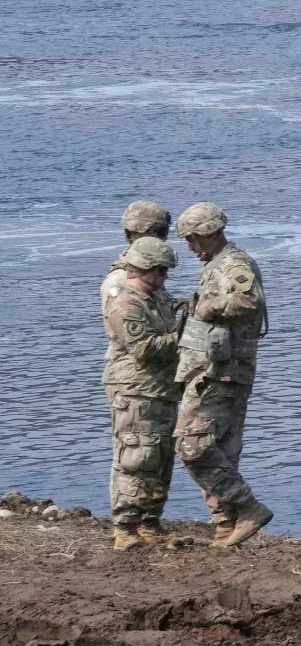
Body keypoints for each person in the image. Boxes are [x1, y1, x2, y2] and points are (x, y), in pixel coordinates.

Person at [174, 203, 270, 548]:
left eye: (193, 239)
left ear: (211, 232)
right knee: (221, 450)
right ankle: (225, 526)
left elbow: (249, 301)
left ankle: (247, 508)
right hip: (214, 370)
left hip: (222, 372)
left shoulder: (234, 263)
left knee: (192, 446)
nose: (190, 247)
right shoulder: (216, 265)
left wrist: (209, 307)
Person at [103, 236, 184, 551]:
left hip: (161, 390)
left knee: (161, 460)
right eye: (161, 270)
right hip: (137, 391)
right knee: (137, 458)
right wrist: (182, 335)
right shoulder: (125, 301)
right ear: (144, 268)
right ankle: (126, 529)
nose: (165, 276)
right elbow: (144, 348)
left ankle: (150, 524)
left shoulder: (156, 295)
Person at [102, 199, 172, 326]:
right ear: (149, 233)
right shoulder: (122, 280)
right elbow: (133, 342)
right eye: (162, 232)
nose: (165, 239)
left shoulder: (148, 270)